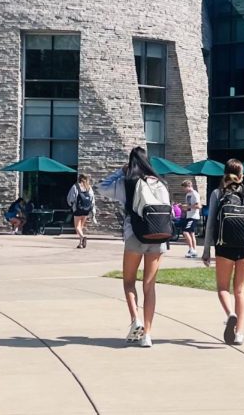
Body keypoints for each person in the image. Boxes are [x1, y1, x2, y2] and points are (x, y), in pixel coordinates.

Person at [99, 146, 172, 348]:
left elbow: (102, 187)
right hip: (158, 238)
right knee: (150, 286)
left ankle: (135, 319)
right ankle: (147, 334)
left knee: (129, 282)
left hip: (135, 236)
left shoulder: (127, 182)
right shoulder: (161, 183)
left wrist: (120, 172)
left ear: (131, 163)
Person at [202, 159, 244, 346]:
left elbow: (210, 225)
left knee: (223, 288)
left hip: (224, 247)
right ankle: (239, 332)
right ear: (242, 176)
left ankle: (230, 313)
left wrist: (207, 249)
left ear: (224, 174)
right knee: (240, 290)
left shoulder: (217, 194)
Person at [67, 174, 94, 249]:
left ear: (79, 178)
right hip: (86, 210)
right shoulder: (89, 187)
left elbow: (71, 198)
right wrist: (92, 209)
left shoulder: (75, 186)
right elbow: (92, 199)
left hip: (77, 209)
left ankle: (83, 237)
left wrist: (71, 205)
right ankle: (80, 244)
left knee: (77, 227)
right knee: (81, 227)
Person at [180, 180, 202, 258]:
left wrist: (188, 207)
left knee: (185, 232)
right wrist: (184, 208)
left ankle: (191, 249)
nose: (184, 190)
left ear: (189, 186)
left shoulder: (195, 194)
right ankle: (194, 250)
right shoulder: (188, 195)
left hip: (193, 216)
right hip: (189, 215)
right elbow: (189, 206)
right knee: (191, 234)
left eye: (184, 188)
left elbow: (199, 206)